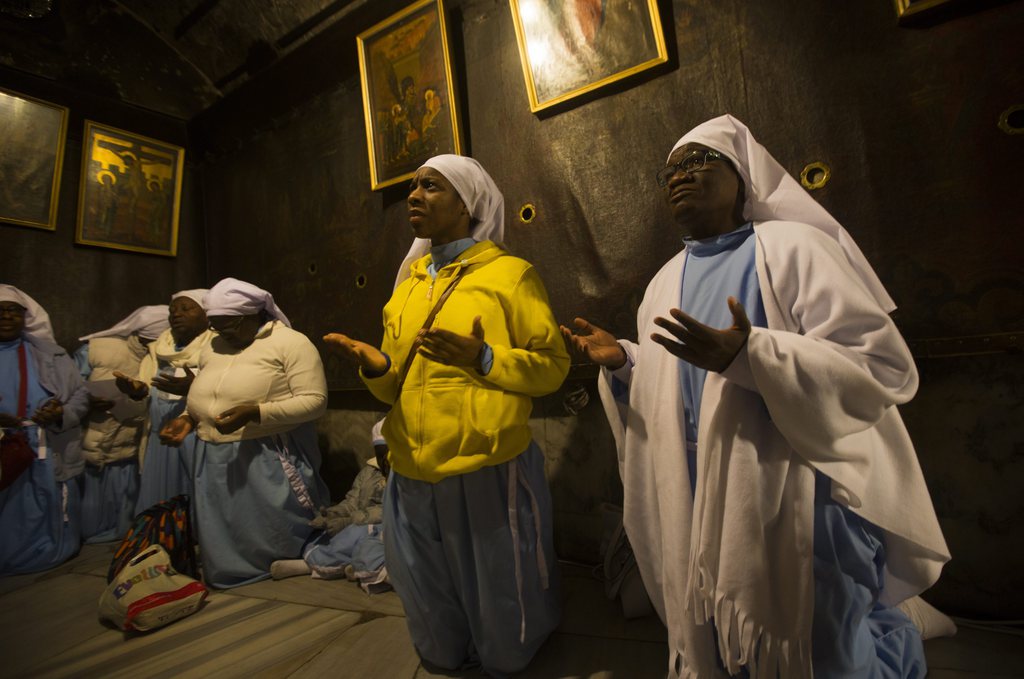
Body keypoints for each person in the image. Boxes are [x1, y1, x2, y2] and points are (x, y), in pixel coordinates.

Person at [561, 115, 951, 679]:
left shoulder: (797, 248)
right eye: (671, 168)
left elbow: (879, 365)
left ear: (743, 177)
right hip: (697, 481)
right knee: (724, 627)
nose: (680, 176)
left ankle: (891, 648)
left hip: (796, 481)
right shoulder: (664, 280)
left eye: (699, 161)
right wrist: (624, 361)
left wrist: (753, 356)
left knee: (823, 644)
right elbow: (674, 380)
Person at [324, 154, 569, 677]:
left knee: (499, 578)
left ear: (467, 204)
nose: (414, 195)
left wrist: (483, 359)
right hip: (411, 463)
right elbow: (396, 389)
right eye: (413, 186)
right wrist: (375, 367)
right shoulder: (407, 289)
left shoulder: (510, 277)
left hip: (484, 462)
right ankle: (446, 653)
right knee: (425, 578)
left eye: (431, 186)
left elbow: (552, 368)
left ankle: (509, 653)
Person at [158, 278, 330, 588]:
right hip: (212, 451)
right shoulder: (214, 345)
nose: (223, 333)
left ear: (253, 314)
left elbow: (315, 402)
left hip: (266, 453)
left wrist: (257, 413)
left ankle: (282, 563)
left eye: (230, 326)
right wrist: (188, 418)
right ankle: (228, 569)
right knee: (223, 521)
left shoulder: (291, 343)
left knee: (270, 524)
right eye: (217, 327)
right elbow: (205, 390)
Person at [0, 285, 89, 574]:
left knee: (44, 499)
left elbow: (81, 395)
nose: (7, 317)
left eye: (13, 311)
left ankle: (47, 549)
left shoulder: (51, 355)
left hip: (44, 444)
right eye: (0, 311)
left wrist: (60, 412)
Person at [75, 305, 168, 543]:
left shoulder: (165, 356)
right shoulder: (99, 351)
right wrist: (86, 401)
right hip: (96, 437)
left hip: (134, 443)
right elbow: (70, 387)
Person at [114, 290, 213, 514]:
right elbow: (147, 387)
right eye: (172, 310)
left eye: (186, 308)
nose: (176, 314)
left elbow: (227, 389)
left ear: (206, 314)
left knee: (197, 496)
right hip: (161, 433)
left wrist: (194, 388)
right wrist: (137, 390)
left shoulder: (217, 347)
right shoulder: (159, 348)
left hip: (197, 434)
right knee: (162, 500)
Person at [270, 419, 389, 593]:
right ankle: (316, 565)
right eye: (380, 454)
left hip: (384, 525)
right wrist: (335, 514)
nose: (385, 460)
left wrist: (350, 520)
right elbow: (352, 500)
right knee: (329, 536)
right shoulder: (368, 472)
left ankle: (360, 569)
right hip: (358, 522)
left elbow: (392, 509)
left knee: (360, 537)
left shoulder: (406, 477)